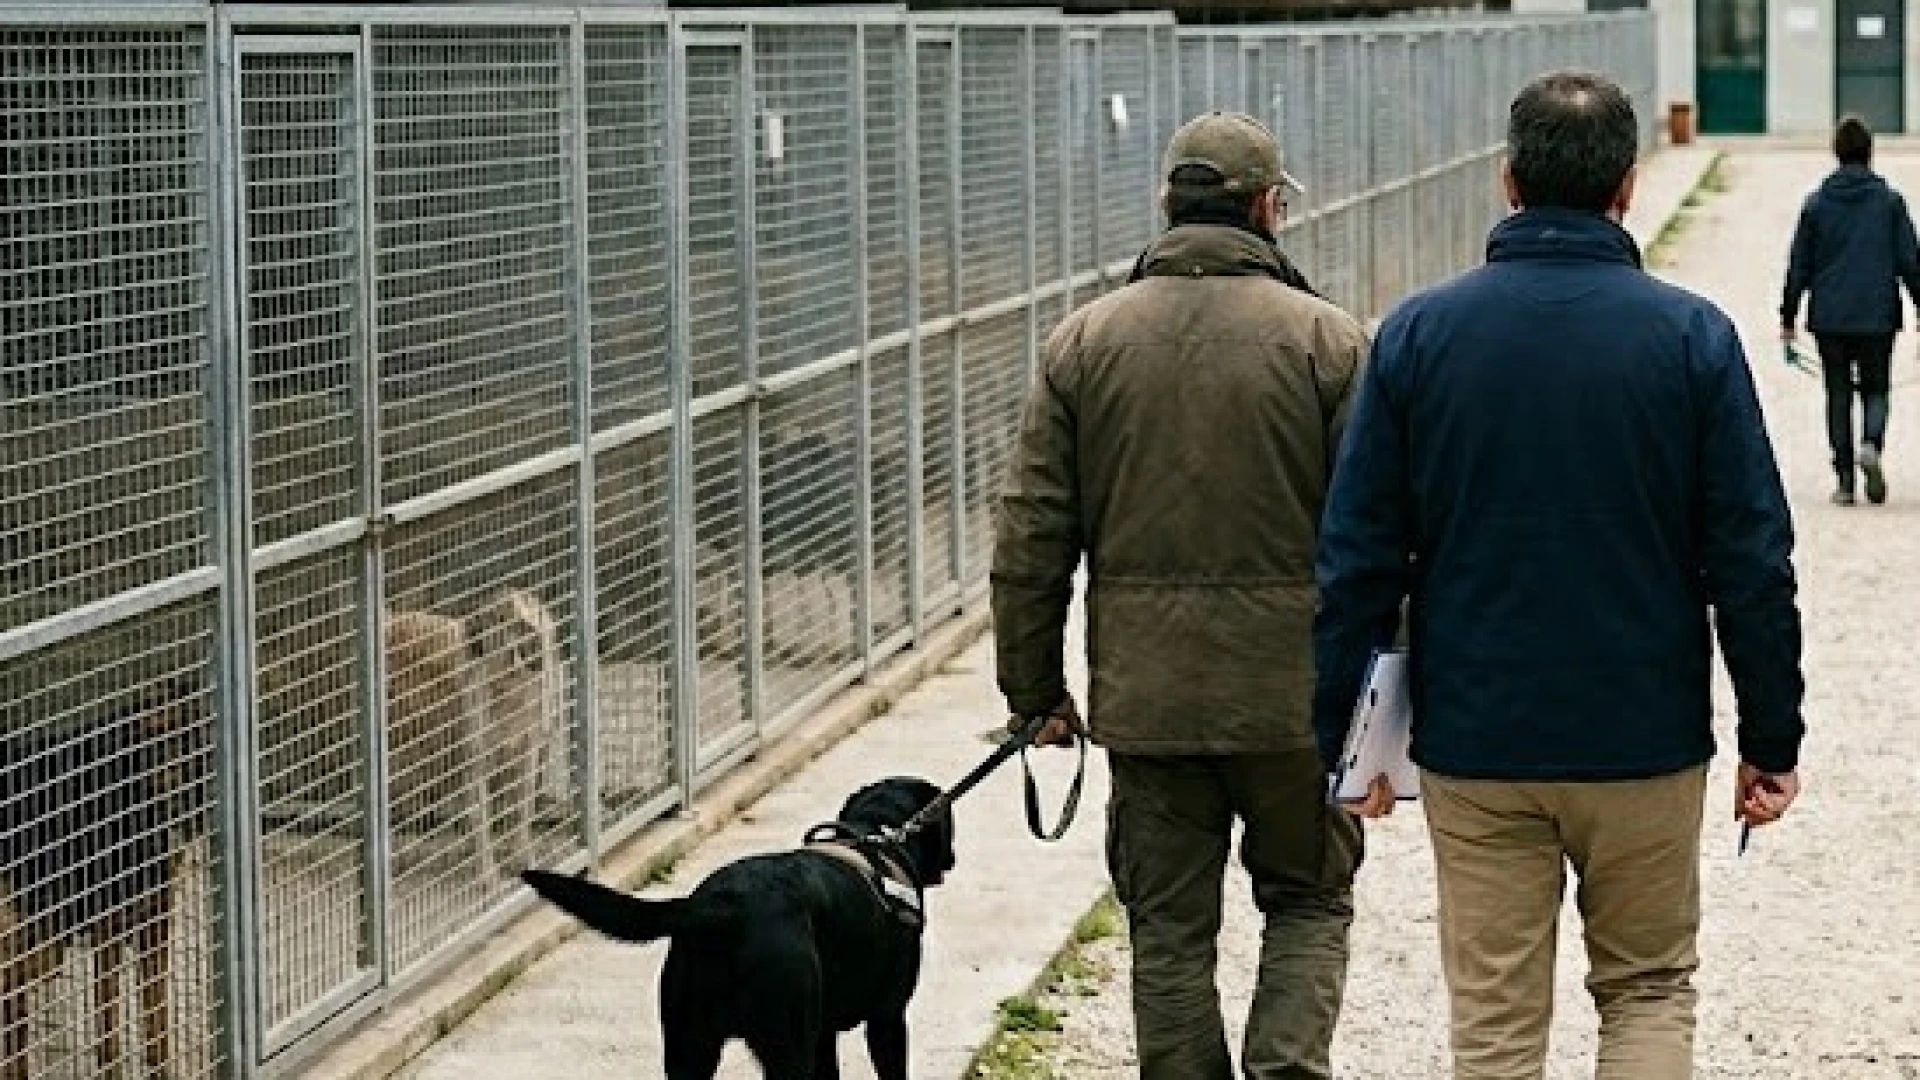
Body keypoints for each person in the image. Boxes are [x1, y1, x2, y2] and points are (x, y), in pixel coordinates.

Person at [1313, 71, 1807, 1079]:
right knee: (1649, 989)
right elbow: (1752, 560)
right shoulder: (1691, 338)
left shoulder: (1418, 335)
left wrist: (1352, 743)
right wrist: (1770, 736)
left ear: (1508, 182)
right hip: (1646, 738)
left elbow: (1358, 560)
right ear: (1628, 187)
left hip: (1479, 740)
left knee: (1494, 1026)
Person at [991, 112, 1370, 1080]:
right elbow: (1381, 542)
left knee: (1166, 927)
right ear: (1267, 207)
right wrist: (1388, 712)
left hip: (1149, 699)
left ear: (1167, 203)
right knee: (1310, 900)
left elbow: (1031, 538)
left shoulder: (1084, 342)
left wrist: (1034, 693)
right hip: (1297, 699)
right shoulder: (1329, 342)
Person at [1781, 114, 1920, 505]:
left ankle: (1844, 481)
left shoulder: (1817, 204)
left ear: (1836, 153)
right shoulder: (1890, 203)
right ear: (1870, 153)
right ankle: (1871, 444)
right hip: (1878, 315)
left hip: (1830, 316)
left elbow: (1799, 266)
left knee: (1837, 393)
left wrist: (1788, 318)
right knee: (1876, 389)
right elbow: (1911, 263)